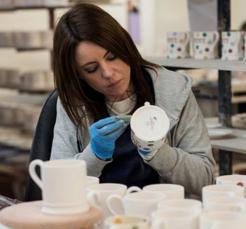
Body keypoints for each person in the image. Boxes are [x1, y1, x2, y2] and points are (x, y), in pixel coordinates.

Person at [50, 3, 215, 196]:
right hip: (100, 217)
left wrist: (159, 153)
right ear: (78, 75)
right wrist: (93, 155)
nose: (108, 73)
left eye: (112, 56)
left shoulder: (174, 90)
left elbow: (205, 179)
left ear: (125, 47)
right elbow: (58, 186)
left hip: (162, 215)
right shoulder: (73, 103)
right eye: (91, 69)